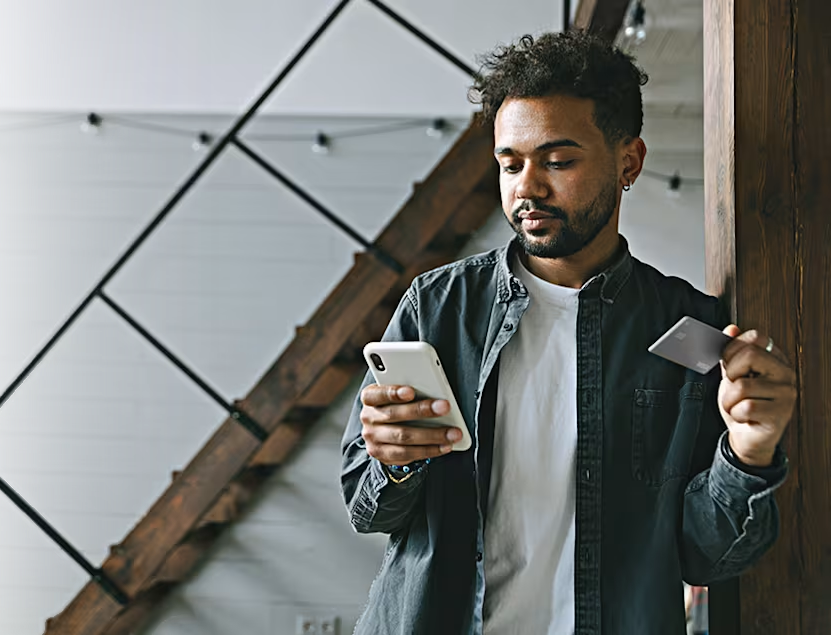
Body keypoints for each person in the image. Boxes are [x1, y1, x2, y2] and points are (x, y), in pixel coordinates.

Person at [340, 31, 795, 635]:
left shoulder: (691, 326)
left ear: (628, 161)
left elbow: (706, 557)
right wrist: (391, 461)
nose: (526, 187)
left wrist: (750, 453)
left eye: (557, 162)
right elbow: (368, 510)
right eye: (510, 164)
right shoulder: (439, 307)